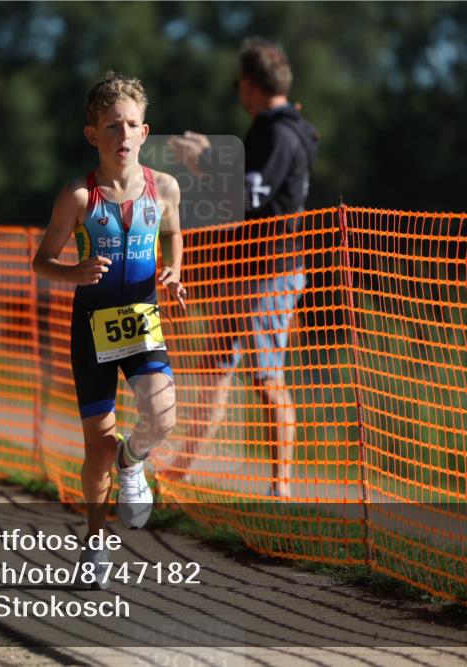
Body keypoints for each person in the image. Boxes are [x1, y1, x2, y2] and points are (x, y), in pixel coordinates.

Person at [32, 71, 186, 589]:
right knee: (94, 449)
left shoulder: (164, 188)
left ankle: (134, 460)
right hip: (93, 329)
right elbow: (41, 261)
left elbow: (173, 235)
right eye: (111, 125)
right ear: (92, 134)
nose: (123, 134)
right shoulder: (77, 197)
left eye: (131, 125)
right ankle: (95, 545)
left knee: (162, 416)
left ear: (145, 132)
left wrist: (175, 270)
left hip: (142, 321)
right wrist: (72, 274)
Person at [166, 38, 319, 498]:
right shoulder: (273, 130)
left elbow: (250, 194)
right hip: (246, 269)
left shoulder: (277, 133)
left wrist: (204, 162)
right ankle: (180, 470)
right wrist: (210, 158)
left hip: (269, 271)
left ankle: (281, 487)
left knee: (267, 378)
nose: (239, 92)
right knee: (213, 370)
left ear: (250, 85)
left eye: (239, 84)